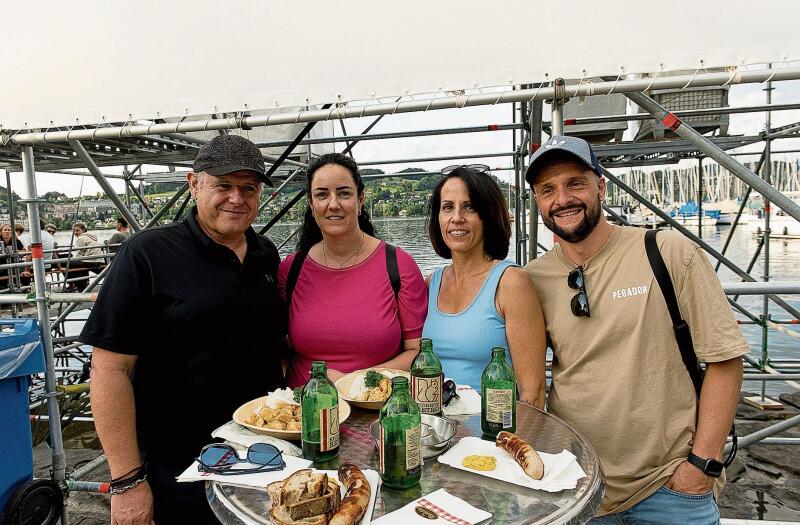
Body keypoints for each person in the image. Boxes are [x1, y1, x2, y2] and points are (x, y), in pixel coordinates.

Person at [524, 135, 747, 523]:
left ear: (601, 186)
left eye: (575, 183)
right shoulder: (533, 279)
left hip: (669, 488)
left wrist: (702, 464)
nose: (562, 199)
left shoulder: (668, 251)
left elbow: (725, 358)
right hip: (577, 486)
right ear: (538, 202)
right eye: (548, 190)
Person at [80, 134, 287, 525]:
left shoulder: (264, 253)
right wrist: (126, 483)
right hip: (180, 468)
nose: (236, 198)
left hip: (264, 456)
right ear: (194, 184)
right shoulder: (146, 254)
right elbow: (109, 371)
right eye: (223, 185)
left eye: (248, 188)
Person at [277, 153, 427, 387]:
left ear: (360, 199)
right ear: (311, 204)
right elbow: (280, 347)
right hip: (300, 413)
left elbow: (416, 352)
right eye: (322, 195)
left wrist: (354, 381)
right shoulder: (291, 270)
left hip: (375, 410)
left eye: (344, 193)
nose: (333, 204)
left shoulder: (398, 265)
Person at [421, 165, 547, 406]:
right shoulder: (431, 284)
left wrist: (507, 443)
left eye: (469, 207)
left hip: (490, 436)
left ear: (488, 216)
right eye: (448, 207)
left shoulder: (511, 283)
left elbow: (534, 393)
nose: (456, 218)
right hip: (437, 432)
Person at [66, 222, 104, 290]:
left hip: (90, 261)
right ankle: (83, 283)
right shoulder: (90, 237)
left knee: (67, 263)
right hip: (98, 261)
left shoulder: (81, 238)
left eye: (77, 230)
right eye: (74, 231)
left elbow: (80, 254)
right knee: (77, 265)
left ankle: (74, 284)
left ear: (83, 230)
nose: (75, 232)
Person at [0, 224, 25, 289]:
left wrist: (19, 252)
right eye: (5, 230)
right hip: (1, 265)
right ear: (1, 232)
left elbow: (24, 250)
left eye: (9, 230)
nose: (7, 231)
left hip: (13, 264)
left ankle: (21, 287)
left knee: (22, 271)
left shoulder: (15, 240)